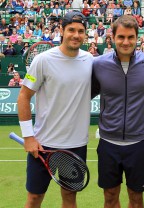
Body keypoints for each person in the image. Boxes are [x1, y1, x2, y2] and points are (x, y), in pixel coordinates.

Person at [17, 11, 93, 208]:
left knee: (69, 197)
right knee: (34, 198)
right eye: (71, 30)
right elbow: (24, 97)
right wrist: (28, 137)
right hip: (43, 145)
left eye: (81, 31)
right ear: (61, 30)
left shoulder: (90, 60)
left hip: (76, 146)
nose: (76, 35)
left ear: (85, 34)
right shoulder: (42, 60)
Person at [91, 15, 144, 208]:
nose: (126, 42)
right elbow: (83, 94)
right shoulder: (99, 64)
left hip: (137, 143)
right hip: (108, 143)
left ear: (138, 38)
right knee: (110, 196)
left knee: (136, 197)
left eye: (130, 37)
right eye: (121, 37)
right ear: (112, 37)